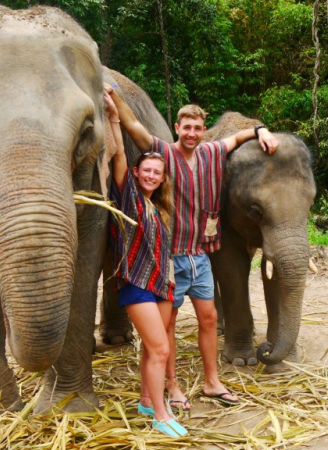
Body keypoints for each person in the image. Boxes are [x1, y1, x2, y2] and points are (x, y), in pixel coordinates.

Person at [105, 85, 278, 412]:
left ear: (203, 130)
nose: (192, 133)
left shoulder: (213, 152)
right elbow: (134, 127)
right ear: (177, 128)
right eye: (187, 127)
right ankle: (172, 386)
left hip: (199, 255)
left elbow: (239, 137)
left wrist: (262, 131)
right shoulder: (163, 154)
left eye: (198, 128)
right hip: (169, 258)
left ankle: (212, 382)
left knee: (209, 318)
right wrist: (114, 98)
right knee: (167, 324)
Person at [104, 89, 187, 438]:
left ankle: (145, 400)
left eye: (158, 172)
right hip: (137, 284)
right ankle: (161, 415)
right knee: (160, 348)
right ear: (137, 173)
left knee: (154, 348)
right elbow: (120, 153)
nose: (152, 175)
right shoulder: (128, 196)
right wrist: (113, 116)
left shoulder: (162, 209)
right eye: (147, 170)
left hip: (161, 284)